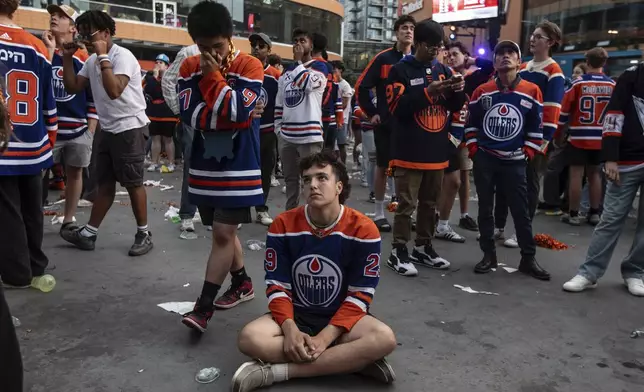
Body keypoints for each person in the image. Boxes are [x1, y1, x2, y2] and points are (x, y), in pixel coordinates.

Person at [233, 151, 396, 392]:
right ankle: (351, 362)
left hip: (340, 322)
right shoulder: (283, 225)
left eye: (322, 178)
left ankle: (275, 372)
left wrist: (326, 337)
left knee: (384, 339)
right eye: (307, 180)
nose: (313, 185)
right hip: (297, 315)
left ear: (339, 186)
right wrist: (289, 329)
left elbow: (360, 295)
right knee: (249, 339)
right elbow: (277, 285)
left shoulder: (364, 229)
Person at [177, 1, 263, 331]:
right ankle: (242, 281)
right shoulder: (187, 67)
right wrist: (226, 109)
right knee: (222, 232)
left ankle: (203, 308)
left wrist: (212, 79)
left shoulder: (250, 65)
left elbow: (240, 113)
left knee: (225, 233)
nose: (210, 54)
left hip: (240, 165)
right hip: (203, 165)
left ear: (230, 38)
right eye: (203, 47)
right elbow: (190, 116)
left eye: (217, 46)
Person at [60, 10, 153, 256]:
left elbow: (114, 90)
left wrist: (102, 55)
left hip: (130, 127)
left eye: (88, 33)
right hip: (107, 128)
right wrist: (67, 58)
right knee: (104, 185)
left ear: (105, 33)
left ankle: (144, 233)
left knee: (133, 183)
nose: (85, 40)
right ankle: (89, 233)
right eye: (81, 34)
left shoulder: (123, 56)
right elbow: (73, 86)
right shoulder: (91, 61)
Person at [385, 20, 466, 277]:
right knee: (406, 204)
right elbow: (396, 108)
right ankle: (398, 251)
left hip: (435, 151)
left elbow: (454, 107)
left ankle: (423, 246)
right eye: (431, 46)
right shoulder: (400, 70)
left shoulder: (443, 69)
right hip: (408, 150)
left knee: (430, 203)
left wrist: (458, 91)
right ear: (418, 44)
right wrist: (427, 93)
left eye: (439, 46)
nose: (435, 51)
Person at [465, 40, 550, 280]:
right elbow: (470, 124)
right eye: (500, 53)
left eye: (511, 52)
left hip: (515, 161)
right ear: (494, 61)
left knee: (521, 211)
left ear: (518, 59)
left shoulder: (532, 91)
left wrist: (529, 152)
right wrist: (474, 150)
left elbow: (536, 127)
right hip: (486, 159)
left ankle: (528, 258)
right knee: (485, 209)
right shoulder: (482, 91)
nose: (505, 56)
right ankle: (488, 255)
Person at [562, 61, 644, 296]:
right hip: (627, 161)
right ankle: (589, 272)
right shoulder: (631, 77)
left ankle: (635, 271)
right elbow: (613, 115)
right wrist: (610, 157)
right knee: (610, 220)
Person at [0, 0, 58, 288]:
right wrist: (49, 141)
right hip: (34, 143)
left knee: (7, 211)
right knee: (32, 209)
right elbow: (49, 102)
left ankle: (16, 273)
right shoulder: (35, 46)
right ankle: (36, 267)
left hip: (3, 143)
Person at [496, 20, 565, 248]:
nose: (533, 40)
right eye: (533, 35)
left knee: (529, 183)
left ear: (551, 43)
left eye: (539, 37)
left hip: (536, 140)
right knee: (506, 181)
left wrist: (543, 141)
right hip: (512, 134)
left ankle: (521, 231)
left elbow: (553, 109)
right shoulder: (524, 67)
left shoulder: (554, 72)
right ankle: (499, 226)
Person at [42, 4, 99, 239]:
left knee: (75, 174)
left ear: (73, 28)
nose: (54, 19)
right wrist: (49, 51)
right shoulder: (40, 49)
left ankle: (69, 219)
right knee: (38, 175)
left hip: (77, 130)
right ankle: (32, 219)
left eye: (61, 17)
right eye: (52, 16)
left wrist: (90, 132)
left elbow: (93, 96)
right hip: (46, 131)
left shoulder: (83, 57)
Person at [356, 15, 415, 232]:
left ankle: (405, 211)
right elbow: (361, 87)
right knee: (383, 167)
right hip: (387, 124)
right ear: (396, 32)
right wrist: (372, 113)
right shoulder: (383, 59)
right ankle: (379, 213)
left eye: (411, 28)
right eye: (403, 28)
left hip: (412, 126)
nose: (408, 31)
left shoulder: (419, 60)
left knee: (408, 171)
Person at [435, 41, 494, 243]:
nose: (451, 58)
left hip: (466, 133)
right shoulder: (444, 76)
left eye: (456, 54)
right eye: (448, 54)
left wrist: (472, 60)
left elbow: (490, 66)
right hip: (447, 134)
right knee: (444, 179)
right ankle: (436, 216)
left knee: (463, 175)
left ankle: (463, 215)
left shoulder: (473, 77)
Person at [558, 48, 614, 226]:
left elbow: (564, 112)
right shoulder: (612, 85)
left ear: (587, 62)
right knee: (595, 175)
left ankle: (573, 214)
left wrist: (558, 133)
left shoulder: (577, 83)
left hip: (579, 135)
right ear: (604, 63)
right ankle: (595, 212)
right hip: (601, 137)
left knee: (576, 174)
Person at [275, 28, 327, 210]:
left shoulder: (320, 67)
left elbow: (307, 85)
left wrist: (297, 62)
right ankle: (291, 216)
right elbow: (279, 104)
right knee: (291, 181)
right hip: (287, 137)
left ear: (311, 45)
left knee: (312, 180)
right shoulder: (286, 73)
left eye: (302, 41)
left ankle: (312, 215)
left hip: (309, 137)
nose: (298, 44)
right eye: (295, 40)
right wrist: (278, 130)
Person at [161, 43, 201, 238]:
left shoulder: (228, 52)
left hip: (217, 119)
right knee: (191, 166)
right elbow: (168, 80)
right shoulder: (189, 52)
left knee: (218, 165)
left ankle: (214, 215)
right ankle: (187, 214)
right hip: (192, 120)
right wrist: (180, 110)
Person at [250, 32, 280, 226]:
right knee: (244, 171)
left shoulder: (276, 76)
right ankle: (239, 210)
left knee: (265, 171)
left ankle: (261, 209)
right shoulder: (243, 69)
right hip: (246, 130)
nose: (257, 48)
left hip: (268, 131)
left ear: (269, 50)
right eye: (254, 45)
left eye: (261, 45)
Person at [145, 53, 178, 173]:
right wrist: (154, 76)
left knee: (168, 139)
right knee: (155, 139)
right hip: (154, 112)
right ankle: (154, 162)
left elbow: (169, 91)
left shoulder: (171, 78)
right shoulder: (150, 78)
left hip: (168, 113)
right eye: (157, 62)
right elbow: (149, 91)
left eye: (161, 63)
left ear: (167, 66)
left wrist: (163, 77)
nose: (158, 65)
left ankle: (171, 162)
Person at [331, 61, 353, 164]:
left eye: (335, 69)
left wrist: (335, 112)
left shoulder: (345, 85)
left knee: (341, 145)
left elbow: (344, 104)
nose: (333, 71)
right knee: (332, 145)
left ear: (340, 70)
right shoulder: (332, 83)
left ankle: (343, 166)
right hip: (332, 119)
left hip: (341, 120)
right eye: (332, 69)